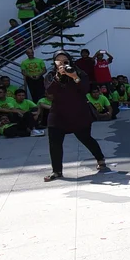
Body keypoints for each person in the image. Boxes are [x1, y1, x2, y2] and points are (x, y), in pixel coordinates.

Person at [43, 52, 108, 181]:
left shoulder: (79, 73)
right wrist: (58, 77)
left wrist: (74, 77)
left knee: (85, 138)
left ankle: (100, 159)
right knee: (54, 143)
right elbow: (49, 91)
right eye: (58, 60)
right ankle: (56, 171)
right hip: (58, 113)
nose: (62, 63)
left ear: (70, 61)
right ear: (54, 62)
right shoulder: (50, 75)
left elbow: (85, 89)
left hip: (78, 112)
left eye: (65, 60)